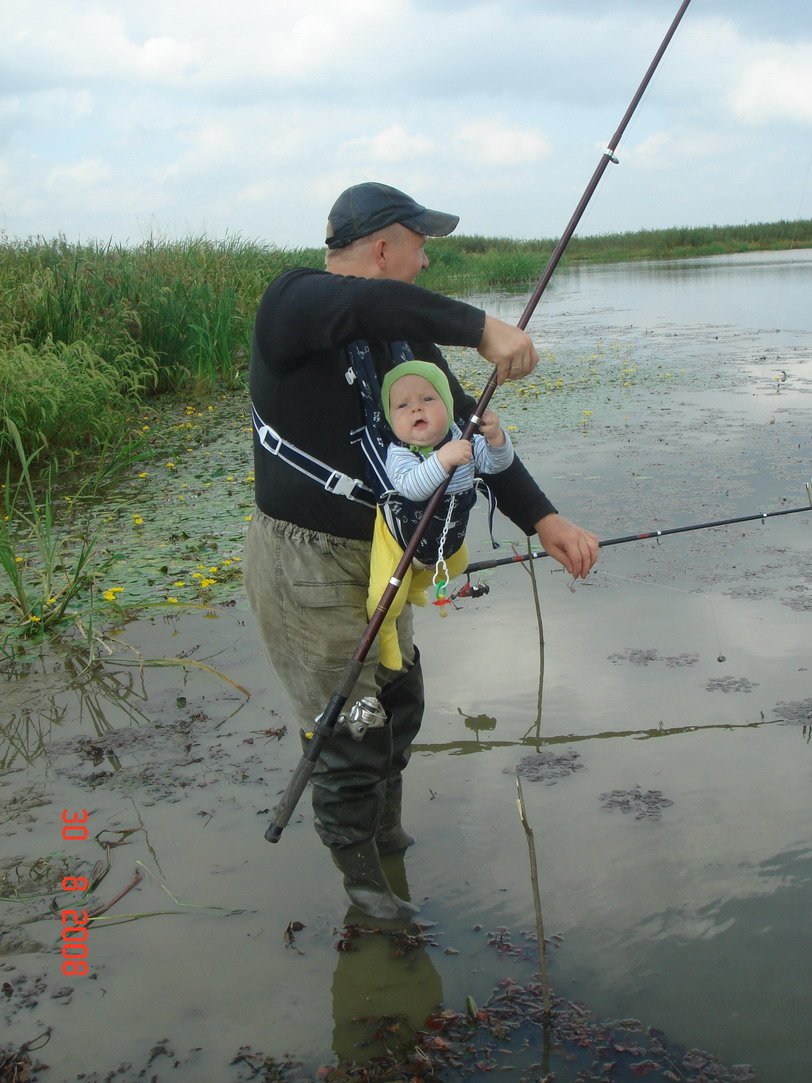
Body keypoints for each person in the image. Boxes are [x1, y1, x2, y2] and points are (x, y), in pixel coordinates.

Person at [243, 181, 599, 922]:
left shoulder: (406, 342)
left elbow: (464, 424)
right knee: (351, 727)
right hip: (305, 563)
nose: (427, 259)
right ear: (381, 246)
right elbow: (362, 304)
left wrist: (546, 519)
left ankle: (387, 838)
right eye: (419, 243)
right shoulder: (294, 301)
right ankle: (368, 895)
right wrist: (482, 326)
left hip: (384, 557)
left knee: (401, 704)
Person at [368, 359, 514, 671]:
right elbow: (411, 487)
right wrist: (443, 461)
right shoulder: (400, 453)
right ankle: (388, 639)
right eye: (403, 405)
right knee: (387, 597)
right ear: (392, 419)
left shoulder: (463, 438)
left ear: (447, 405)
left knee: (459, 563)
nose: (416, 410)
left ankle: (418, 588)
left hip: (448, 535)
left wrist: (495, 437)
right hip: (400, 535)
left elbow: (495, 464)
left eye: (427, 399)